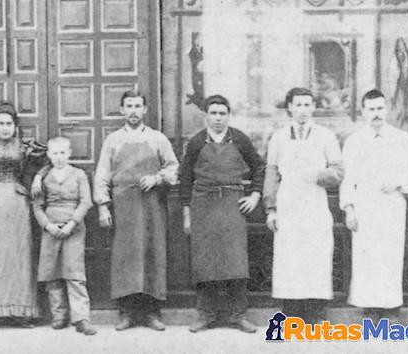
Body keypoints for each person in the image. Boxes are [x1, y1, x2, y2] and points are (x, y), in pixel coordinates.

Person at [178, 94, 264, 334]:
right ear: (206, 116)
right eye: (213, 113)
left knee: (236, 261)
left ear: (228, 115)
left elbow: (259, 167)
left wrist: (255, 195)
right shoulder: (196, 142)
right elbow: (185, 179)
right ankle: (206, 314)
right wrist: (187, 214)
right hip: (203, 204)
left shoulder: (239, 139)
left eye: (222, 113)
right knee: (205, 261)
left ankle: (239, 315)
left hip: (232, 204)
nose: (217, 118)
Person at [94, 90, 178, 332]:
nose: (133, 110)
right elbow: (102, 174)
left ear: (144, 109)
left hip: (152, 205)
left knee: (152, 254)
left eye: (137, 106)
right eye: (128, 106)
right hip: (123, 206)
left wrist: (158, 177)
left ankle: (152, 312)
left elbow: (173, 167)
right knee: (125, 257)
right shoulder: (113, 141)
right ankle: (127, 312)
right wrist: (102, 205)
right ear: (122, 110)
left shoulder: (157, 139)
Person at [263, 86, 343, 324]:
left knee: (316, 256)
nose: (303, 110)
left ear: (314, 107)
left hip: (315, 203)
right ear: (289, 107)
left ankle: (316, 313)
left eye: (308, 104)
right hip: (288, 203)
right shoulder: (278, 137)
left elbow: (339, 172)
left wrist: (317, 174)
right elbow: (271, 174)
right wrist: (271, 209)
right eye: (298, 105)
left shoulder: (325, 136)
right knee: (289, 258)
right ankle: (292, 313)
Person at [340, 89, 408, 318]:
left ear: (387, 109)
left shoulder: (401, 138)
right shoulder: (354, 141)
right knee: (366, 258)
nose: (376, 114)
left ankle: (391, 308)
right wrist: (349, 209)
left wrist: (398, 183)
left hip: (391, 206)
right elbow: (347, 178)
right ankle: (370, 308)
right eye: (371, 109)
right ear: (363, 112)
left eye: (380, 108)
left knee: (389, 257)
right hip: (365, 206)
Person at [0, 102, 45, 327]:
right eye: (1, 124)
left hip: (17, 203)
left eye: (9, 124)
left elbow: (48, 162)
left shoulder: (25, 148)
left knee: (19, 257)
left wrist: (40, 177)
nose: (5, 128)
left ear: (15, 126)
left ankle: (21, 313)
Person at [31, 136, 95, 336]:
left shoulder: (79, 175)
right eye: (54, 153)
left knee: (74, 272)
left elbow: (86, 202)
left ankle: (81, 317)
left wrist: (72, 223)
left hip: (73, 229)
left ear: (69, 153)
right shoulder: (44, 177)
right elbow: (37, 205)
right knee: (52, 272)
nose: (59, 157)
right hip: (51, 229)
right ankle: (59, 315)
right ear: (49, 155)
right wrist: (47, 225)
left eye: (62, 153)